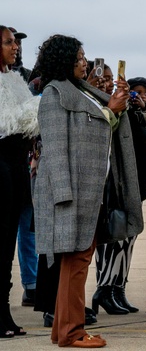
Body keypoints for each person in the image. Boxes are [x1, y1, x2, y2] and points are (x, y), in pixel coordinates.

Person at [33, 35, 144, 348]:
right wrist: (63, 197)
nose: (85, 61)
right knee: (75, 262)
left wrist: (115, 107)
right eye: (80, 56)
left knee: (77, 261)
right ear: (66, 59)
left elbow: (99, 126)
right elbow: (54, 150)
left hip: (90, 191)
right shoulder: (55, 93)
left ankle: (63, 331)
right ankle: (72, 332)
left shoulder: (81, 92)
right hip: (71, 194)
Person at [91, 76, 146, 315]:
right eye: (135, 92)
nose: (139, 96)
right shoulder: (124, 112)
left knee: (127, 240)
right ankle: (105, 288)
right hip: (118, 185)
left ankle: (118, 288)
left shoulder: (141, 115)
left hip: (136, 186)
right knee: (114, 239)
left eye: (145, 94)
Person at [0, 26, 40, 338]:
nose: (16, 47)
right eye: (9, 42)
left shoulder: (14, 78)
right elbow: (11, 122)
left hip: (16, 167)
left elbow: (27, 121)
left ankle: (4, 314)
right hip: (1, 164)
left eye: (15, 42)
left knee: (7, 247)